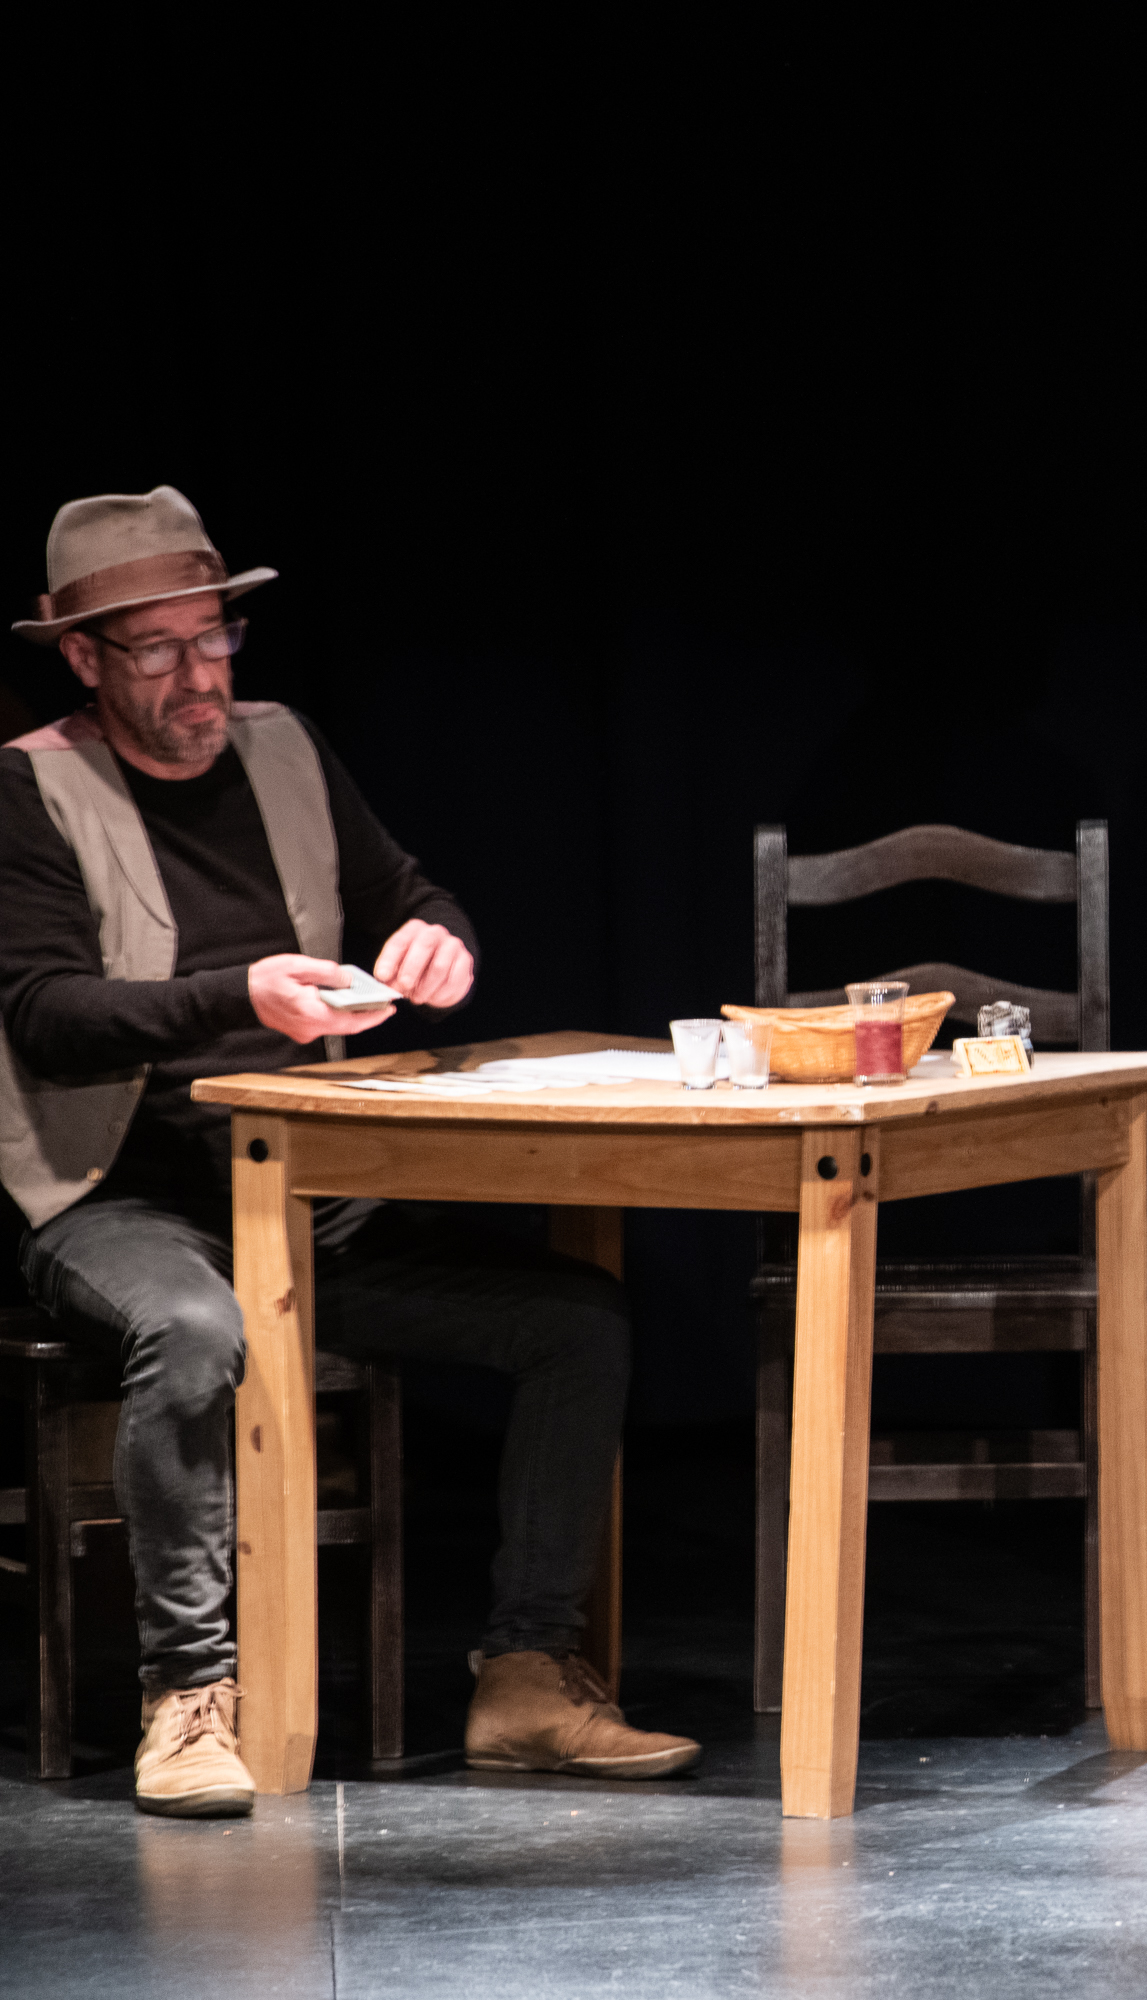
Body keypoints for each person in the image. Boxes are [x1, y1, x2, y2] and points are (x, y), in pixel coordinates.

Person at [0, 488, 698, 1815]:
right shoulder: (32, 787)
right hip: (122, 1197)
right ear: (83, 657)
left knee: (577, 1320)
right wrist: (236, 996)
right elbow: (47, 1015)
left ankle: (528, 1677)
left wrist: (442, 939)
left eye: (215, 641)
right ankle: (190, 1695)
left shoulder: (286, 749)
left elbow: (404, 893)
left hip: (309, 1195)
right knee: (198, 1333)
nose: (199, 677)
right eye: (160, 651)